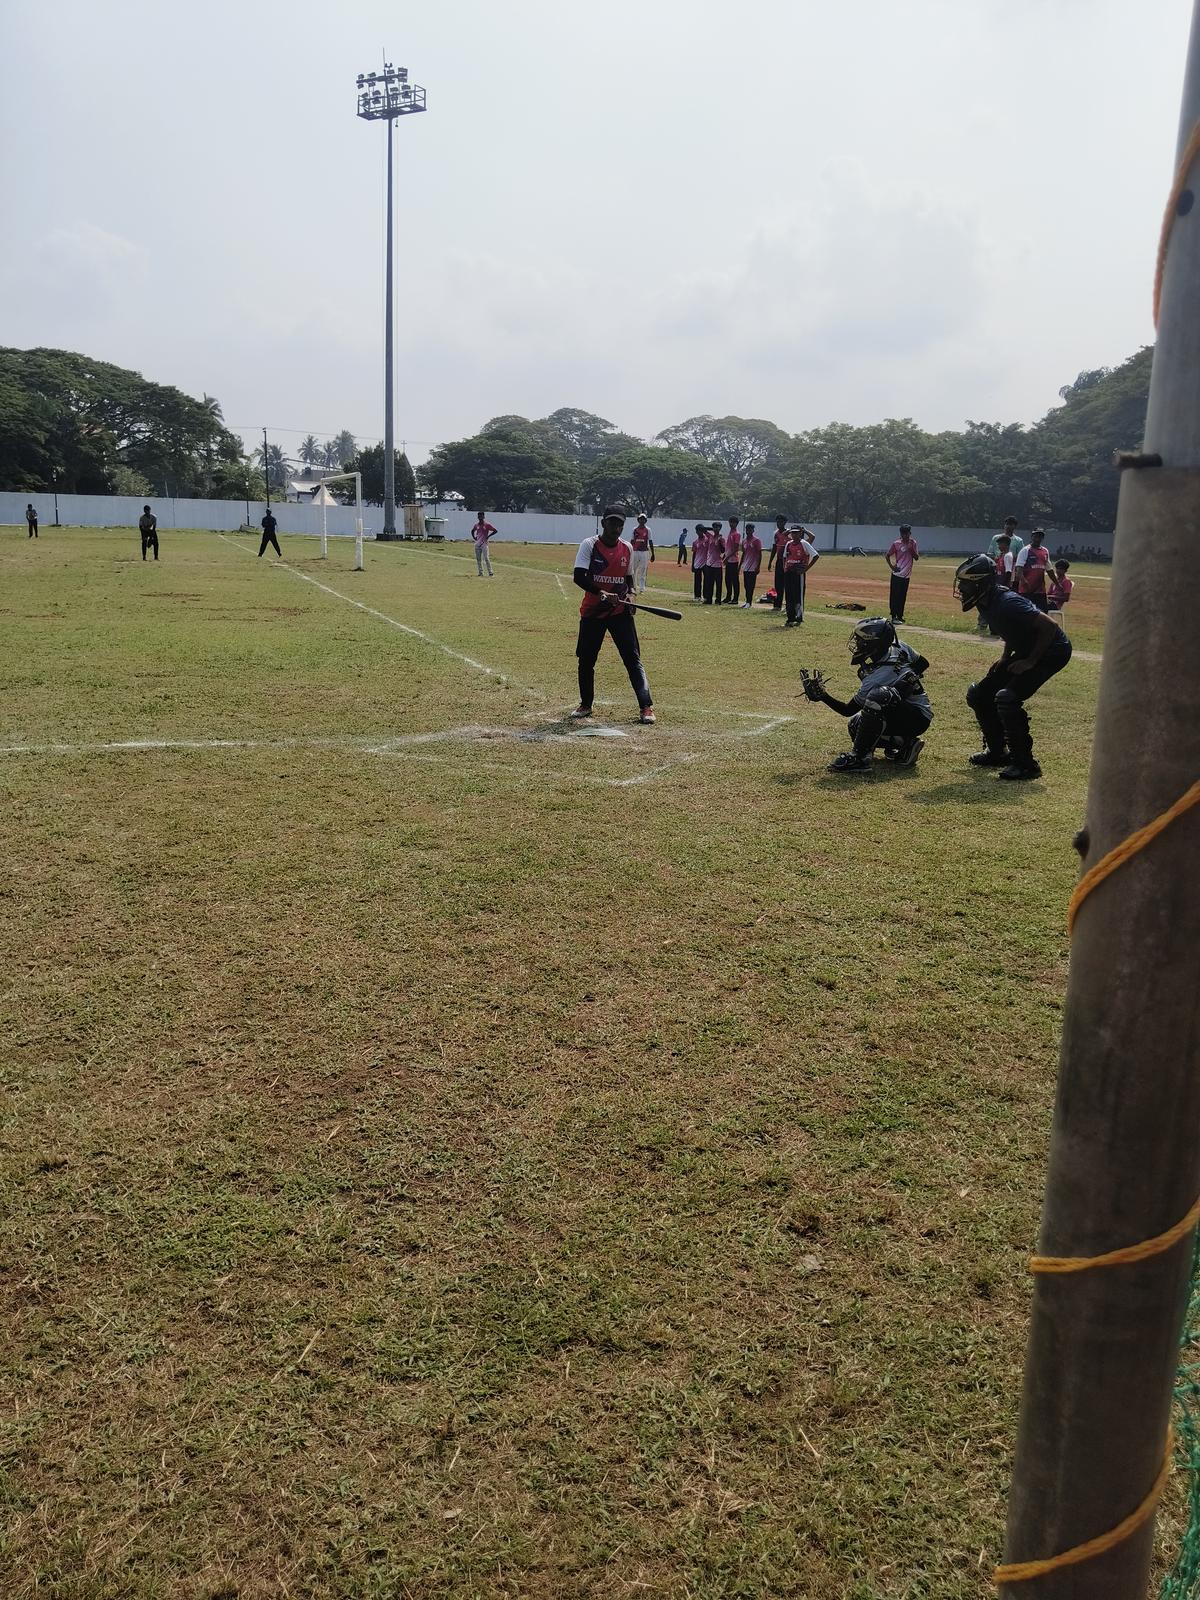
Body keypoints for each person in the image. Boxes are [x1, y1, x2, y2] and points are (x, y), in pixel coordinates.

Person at [954, 554, 1073, 781]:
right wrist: (1006, 658)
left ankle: (1026, 765)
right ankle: (998, 752)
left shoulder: (1008, 603)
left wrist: (1030, 662)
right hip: (1029, 648)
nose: (961, 588)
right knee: (979, 694)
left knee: (1007, 697)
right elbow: (1012, 629)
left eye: (965, 583)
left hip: (1053, 651)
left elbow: (1049, 626)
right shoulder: (985, 601)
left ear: (980, 583)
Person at [801, 617, 932, 773]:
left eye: (861, 640)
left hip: (917, 717)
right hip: (910, 713)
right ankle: (905, 745)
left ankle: (859, 758)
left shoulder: (877, 676)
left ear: (875, 644)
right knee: (855, 726)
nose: (857, 644)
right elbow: (922, 663)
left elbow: (847, 709)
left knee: (879, 696)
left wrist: (824, 697)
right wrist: (906, 680)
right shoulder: (899, 647)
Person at [571, 507, 655, 725]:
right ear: (603, 523)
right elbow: (579, 576)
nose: (615, 528)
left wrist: (632, 595)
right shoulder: (589, 545)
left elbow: (628, 581)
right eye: (612, 523)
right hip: (593, 612)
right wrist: (601, 593)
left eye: (619, 525)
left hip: (620, 612)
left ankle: (646, 707)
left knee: (632, 659)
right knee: (586, 660)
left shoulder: (626, 548)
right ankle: (586, 704)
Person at [781, 525, 819, 627]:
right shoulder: (788, 544)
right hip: (789, 572)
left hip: (798, 573)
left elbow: (816, 555)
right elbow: (784, 556)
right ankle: (790, 618)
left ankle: (799, 617)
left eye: (796, 532)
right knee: (789, 596)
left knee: (798, 595)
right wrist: (785, 567)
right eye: (793, 532)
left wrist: (806, 569)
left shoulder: (804, 543)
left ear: (800, 533)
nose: (794, 534)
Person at [884, 525, 918, 621]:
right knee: (894, 595)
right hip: (897, 574)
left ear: (910, 534)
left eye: (908, 534)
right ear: (901, 534)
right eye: (904, 534)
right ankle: (893, 615)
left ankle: (900, 615)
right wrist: (892, 566)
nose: (906, 536)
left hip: (907, 575)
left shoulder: (913, 543)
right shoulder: (896, 544)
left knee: (902, 596)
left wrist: (911, 549)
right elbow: (887, 555)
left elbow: (916, 558)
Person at [1014, 526, 1052, 611]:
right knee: (1025, 613)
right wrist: (1024, 582)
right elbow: (1018, 570)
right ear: (1032, 536)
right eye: (1036, 536)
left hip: (1040, 590)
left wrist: (1057, 583)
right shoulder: (1026, 550)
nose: (1038, 538)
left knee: (1043, 612)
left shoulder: (1045, 551)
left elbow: (1049, 569)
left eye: (1040, 536)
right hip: (1026, 590)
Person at [767, 515, 789, 610]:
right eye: (777, 522)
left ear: (785, 523)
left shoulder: (789, 533)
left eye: (781, 522)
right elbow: (774, 548)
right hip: (779, 561)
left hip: (788, 562)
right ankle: (777, 605)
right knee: (778, 583)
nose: (779, 524)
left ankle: (788, 605)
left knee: (788, 584)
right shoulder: (776, 534)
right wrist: (770, 561)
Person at [629, 514, 654, 593]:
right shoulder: (634, 529)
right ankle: (634, 586)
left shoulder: (648, 530)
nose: (642, 521)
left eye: (643, 519)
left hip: (644, 552)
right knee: (633, 570)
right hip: (635, 551)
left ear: (645, 520)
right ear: (638, 520)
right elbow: (632, 541)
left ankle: (642, 588)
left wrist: (653, 553)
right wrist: (630, 551)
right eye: (640, 519)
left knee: (643, 570)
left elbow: (650, 541)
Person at [740, 523, 763, 608]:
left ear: (753, 530)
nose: (748, 531)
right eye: (747, 529)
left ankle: (749, 602)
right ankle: (747, 601)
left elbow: (759, 554)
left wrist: (758, 566)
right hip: (746, 567)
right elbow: (744, 554)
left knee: (751, 585)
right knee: (746, 585)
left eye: (750, 529)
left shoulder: (756, 540)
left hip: (753, 567)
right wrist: (740, 566)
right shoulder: (744, 541)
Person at [703, 523, 725, 604]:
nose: (716, 529)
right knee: (709, 583)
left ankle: (718, 600)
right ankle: (709, 599)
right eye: (714, 527)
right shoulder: (710, 536)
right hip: (709, 563)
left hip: (718, 564)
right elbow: (702, 528)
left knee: (718, 583)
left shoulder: (722, 539)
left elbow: (723, 550)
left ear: (720, 528)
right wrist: (711, 529)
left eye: (717, 527)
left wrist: (719, 541)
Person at [471, 511, 498, 577]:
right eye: (479, 516)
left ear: (484, 517)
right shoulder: (476, 525)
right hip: (477, 544)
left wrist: (488, 536)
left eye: (481, 516)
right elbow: (472, 531)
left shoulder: (487, 525)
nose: (480, 517)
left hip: (484, 544)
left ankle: (490, 572)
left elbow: (495, 530)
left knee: (486, 558)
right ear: (478, 517)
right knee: (478, 559)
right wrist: (474, 537)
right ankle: (480, 572)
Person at [723, 516, 742, 604]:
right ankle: (728, 596)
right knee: (727, 579)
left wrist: (727, 557)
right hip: (729, 559)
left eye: (733, 522)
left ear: (736, 523)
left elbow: (735, 548)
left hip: (733, 560)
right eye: (730, 522)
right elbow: (728, 547)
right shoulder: (730, 533)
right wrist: (725, 555)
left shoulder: (736, 534)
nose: (731, 524)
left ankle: (735, 599)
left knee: (734, 580)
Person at [691, 524, 707, 601]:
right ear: (696, 532)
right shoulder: (695, 542)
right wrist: (692, 565)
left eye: (701, 531)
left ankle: (705, 596)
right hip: (697, 563)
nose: (700, 532)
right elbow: (694, 553)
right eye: (698, 531)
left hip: (706, 563)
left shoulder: (707, 540)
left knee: (706, 580)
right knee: (697, 580)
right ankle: (697, 596)